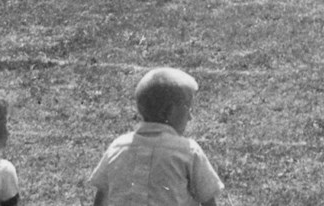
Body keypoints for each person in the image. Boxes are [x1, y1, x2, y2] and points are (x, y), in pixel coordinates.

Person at [89, 67, 224, 206]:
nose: (190, 117)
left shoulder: (117, 147)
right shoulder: (187, 151)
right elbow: (208, 199)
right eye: (187, 108)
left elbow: (101, 196)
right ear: (169, 111)